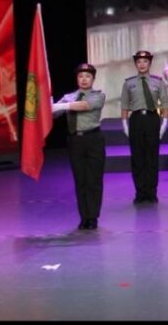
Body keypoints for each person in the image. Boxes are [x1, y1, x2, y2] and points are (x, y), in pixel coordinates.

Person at [51, 63, 107, 230]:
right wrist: (49, 105)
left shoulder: (98, 95)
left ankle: (93, 216)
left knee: (94, 180)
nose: (84, 79)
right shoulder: (69, 96)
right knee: (80, 180)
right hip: (75, 141)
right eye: (81, 76)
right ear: (77, 79)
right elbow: (53, 114)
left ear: (93, 79)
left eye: (87, 76)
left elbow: (84, 106)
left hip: (93, 139)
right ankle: (84, 217)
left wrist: (62, 105)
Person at [119, 50, 168, 204]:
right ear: (136, 64)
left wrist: (164, 124)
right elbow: (124, 105)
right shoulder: (129, 83)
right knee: (137, 158)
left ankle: (152, 192)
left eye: (145, 61)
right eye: (139, 62)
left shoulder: (158, 81)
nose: (142, 64)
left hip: (152, 119)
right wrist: (124, 125)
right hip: (136, 120)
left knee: (152, 157)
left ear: (150, 63)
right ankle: (140, 192)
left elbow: (165, 103)